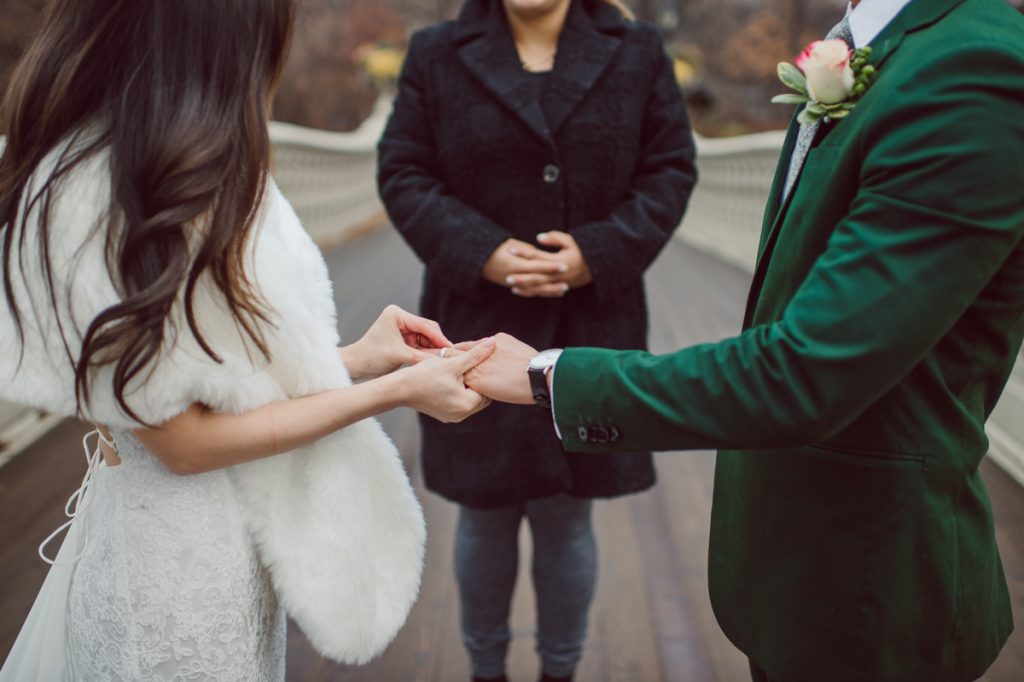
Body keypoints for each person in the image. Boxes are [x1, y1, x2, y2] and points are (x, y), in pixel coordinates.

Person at [461, 0, 1024, 680]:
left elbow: (805, 371)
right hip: (800, 566)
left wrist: (552, 376)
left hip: (876, 586)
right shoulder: (882, 43)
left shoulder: (973, 70)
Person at [0, 1, 495, 679]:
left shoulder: (178, 166)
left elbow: (208, 389)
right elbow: (183, 442)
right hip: (171, 590)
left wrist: (361, 358)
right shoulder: (106, 195)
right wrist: (395, 391)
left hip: (233, 558)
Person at [377, 0, 696, 679]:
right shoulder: (436, 52)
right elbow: (403, 171)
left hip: (590, 324)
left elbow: (670, 170)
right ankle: (485, 671)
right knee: (484, 513)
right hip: (472, 328)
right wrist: (482, 251)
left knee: (567, 515)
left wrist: (598, 253)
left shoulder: (637, 51)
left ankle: (560, 671)